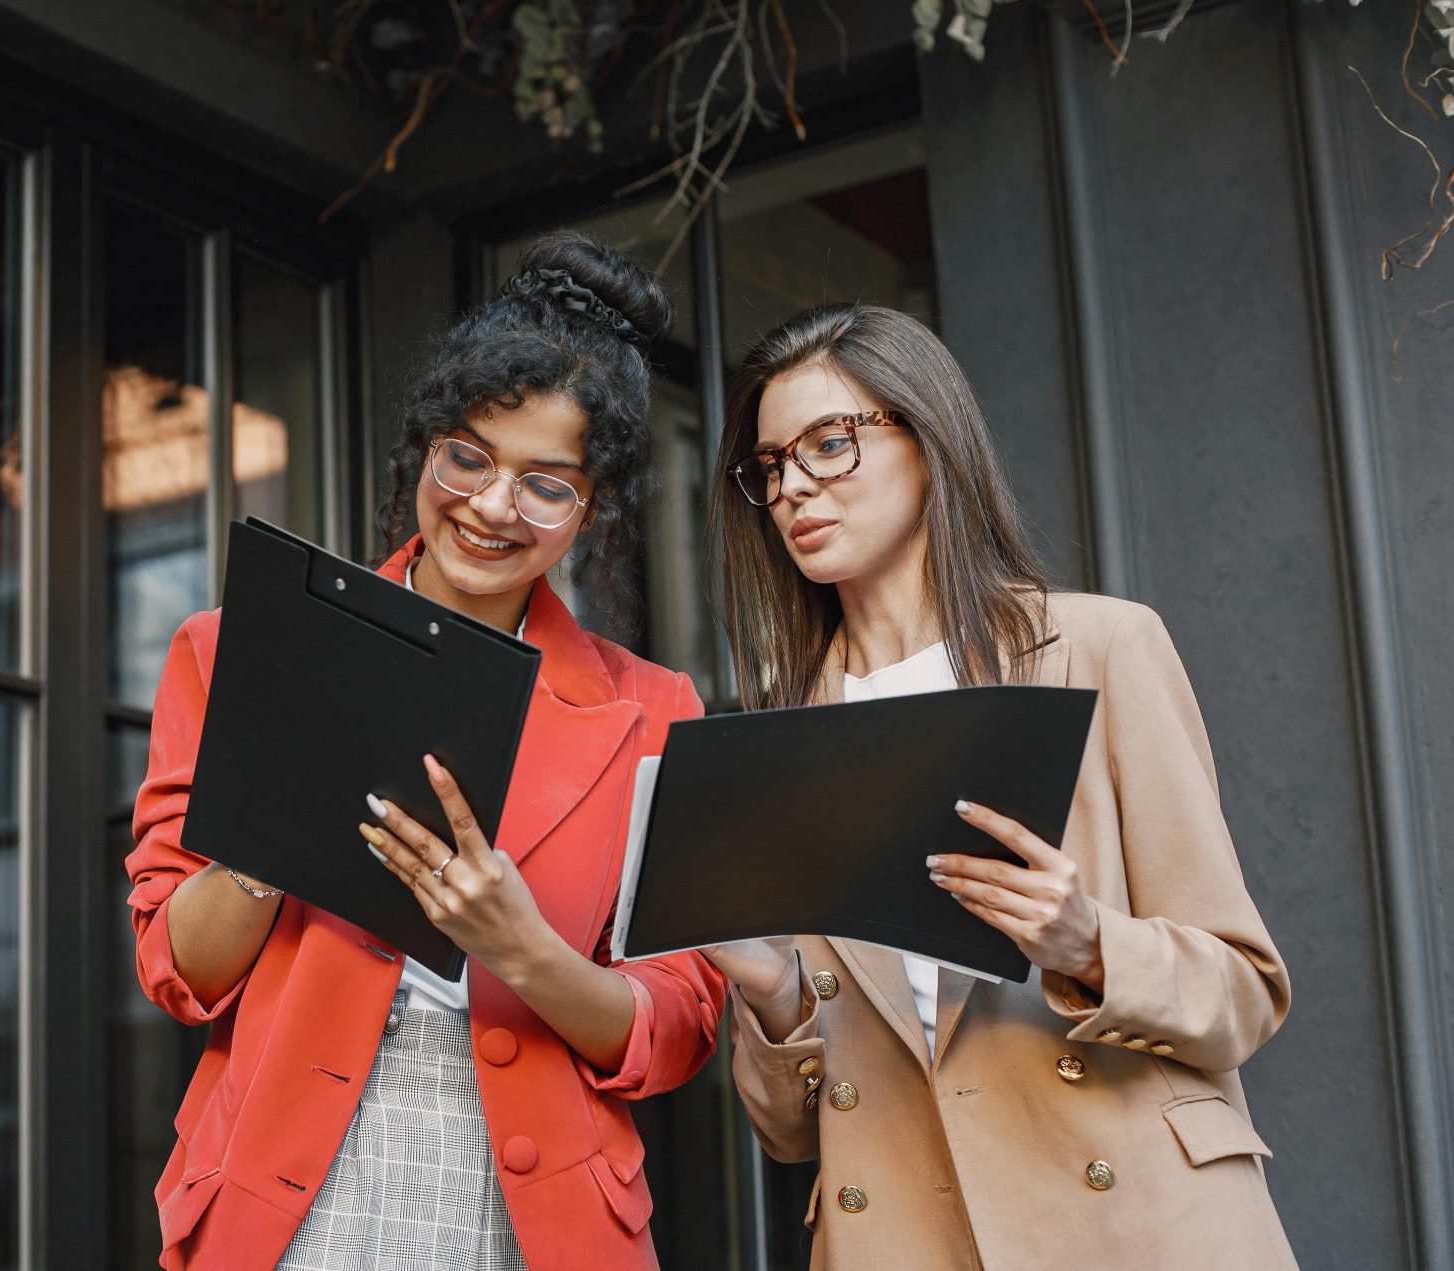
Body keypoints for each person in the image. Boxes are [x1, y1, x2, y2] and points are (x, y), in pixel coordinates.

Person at [125, 231, 726, 1270]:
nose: (493, 506)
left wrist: (524, 948)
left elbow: (679, 1020)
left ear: (592, 507)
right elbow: (176, 966)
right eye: (469, 457)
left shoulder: (653, 711)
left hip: (532, 1210)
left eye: (547, 484)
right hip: (286, 1181)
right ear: (427, 448)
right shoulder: (234, 652)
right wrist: (279, 825)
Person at [701, 303, 1296, 1269]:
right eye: (770, 466)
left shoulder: (1101, 647)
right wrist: (773, 998)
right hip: (911, 1239)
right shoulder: (783, 737)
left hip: (1137, 1223)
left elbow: (1244, 993)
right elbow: (789, 1131)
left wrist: (1088, 943)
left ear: (929, 443)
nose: (794, 487)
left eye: (830, 443)